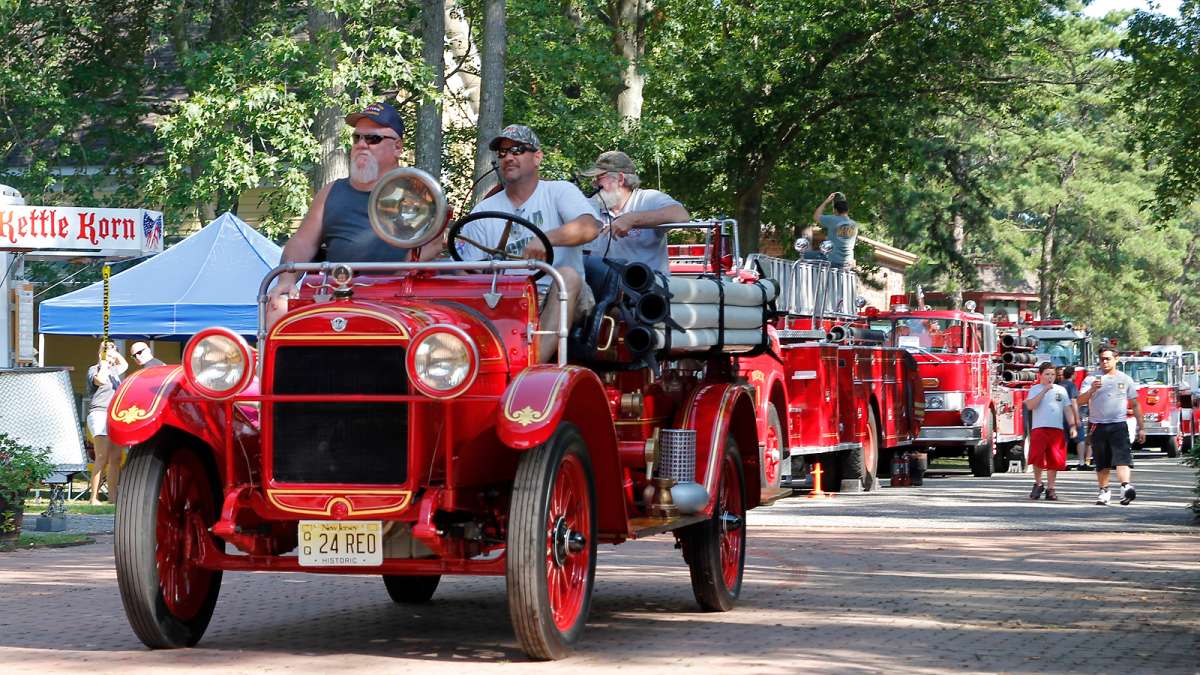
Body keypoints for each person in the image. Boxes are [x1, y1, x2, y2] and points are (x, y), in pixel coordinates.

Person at [455, 124, 601, 362]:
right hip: (504, 299)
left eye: (518, 149)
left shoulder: (558, 191)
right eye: (502, 152)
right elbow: (464, 267)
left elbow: (590, 227)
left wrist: (547, 240)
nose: (508, 157)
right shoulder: (484, 210)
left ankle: (527, 368)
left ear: (537, 157)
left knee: (567, 275)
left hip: (558, 293)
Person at [270, 101, 410, 321]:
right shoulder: (330, 192)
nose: (362, 144)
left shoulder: (419, 191)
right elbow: (302, 243)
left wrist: (393, 282)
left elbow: (429, 247)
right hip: (338, 297)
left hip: (402, 298)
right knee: (277, 304)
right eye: (357, 138)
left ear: (397, 147)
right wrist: (286, 281)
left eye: (373, 139)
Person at [580, 150, 689, 274]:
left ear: (620, 179)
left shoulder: (648, 198)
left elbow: (681, 215)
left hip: (647, 289)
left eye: (600, 177)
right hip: (604, 289)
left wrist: (632, 219)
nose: (594, 183)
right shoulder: (592, 204)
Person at [1078, 347, 1143, 505]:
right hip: (1097, 425)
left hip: (1118, 424)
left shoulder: (1125, 379)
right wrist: (1092, 390)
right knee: (1102, 461)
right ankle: (1104, 491)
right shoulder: (1090, 379)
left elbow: (1135, 404)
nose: (1104, 362)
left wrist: (1141, 427)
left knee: (1122, 459)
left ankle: (1125, 488)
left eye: (1107, 358)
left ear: (1116, 359)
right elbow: (1080, 401)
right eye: (1102, 359)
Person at [1024, 362, 1077, 500]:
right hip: (1039, 428)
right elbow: (1030, 406)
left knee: (1054, 459)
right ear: (1040, 375)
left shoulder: (1061, 390)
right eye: (1047, 374)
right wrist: (1044, 391)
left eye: (1052, 374)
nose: (1050, 377)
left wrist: (1072, 425)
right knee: (1037, 457)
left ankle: (1051, 488)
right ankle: (1038, 483)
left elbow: (1067, 409)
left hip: (1056, 429)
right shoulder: (1035, 389)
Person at [86, 340, 128, 505]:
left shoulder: (114, 371)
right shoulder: (95, 369)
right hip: (99, 414)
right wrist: (103, 361)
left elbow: (124, 364)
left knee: (116, 458)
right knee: (102, 457)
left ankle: (113, 497)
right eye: (108, 354)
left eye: (113, 355)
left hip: (113, 415)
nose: (111, 358)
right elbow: (100, 381)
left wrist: (113, 352)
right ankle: (93, 497)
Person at [802, 191, 858, 267]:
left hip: (832, 259)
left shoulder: (832, 220)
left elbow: (816, 216)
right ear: (847, 210)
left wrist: (826, 201)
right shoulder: (854, 224)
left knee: (805, 255)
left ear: (835, 210)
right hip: (847, 261)